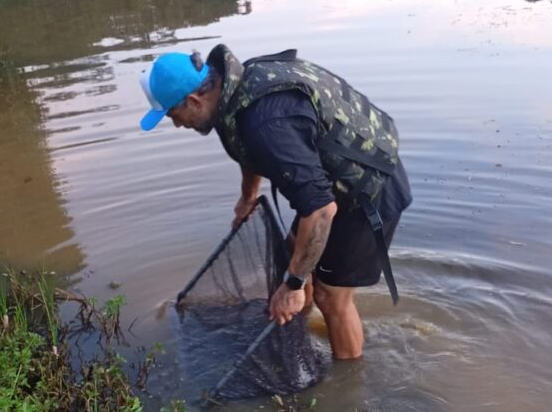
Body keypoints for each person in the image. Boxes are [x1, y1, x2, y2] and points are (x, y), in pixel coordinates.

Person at [138, 44, 412, 359]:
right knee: (294, 251)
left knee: (331, 298)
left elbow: (321, 210)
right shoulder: (233, 92)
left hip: (368, 190)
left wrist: (293, 285)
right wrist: (247, 197)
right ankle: (298, 331)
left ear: (193, 100)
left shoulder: (265, 122)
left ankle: (349, 382)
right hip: (328, 182)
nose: (176, 124)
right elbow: (247, 149)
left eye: (174, 115)